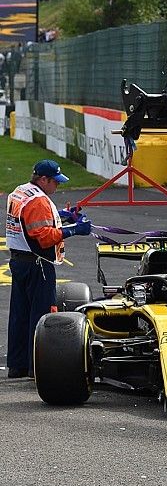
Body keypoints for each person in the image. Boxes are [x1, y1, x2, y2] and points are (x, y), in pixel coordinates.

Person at [6, 160, 92, 378]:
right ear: (43, 180)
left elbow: (31, 219)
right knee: (42, 316)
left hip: (19, 261)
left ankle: (18, 365)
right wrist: (74, 229)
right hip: (38, 264)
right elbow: (44, 238)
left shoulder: (20, 191)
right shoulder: (39, 201)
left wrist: (62, 215)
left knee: (20, 314)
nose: (58, 186)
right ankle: (39, 367)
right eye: (55, 182)